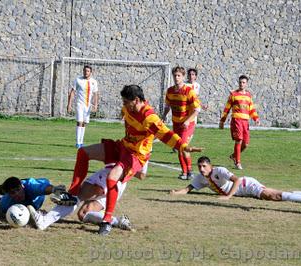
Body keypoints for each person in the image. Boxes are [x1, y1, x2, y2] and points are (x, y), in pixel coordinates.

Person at [56, 84, 202, 236]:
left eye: (126, 102)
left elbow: (166, 134)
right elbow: (125, 114)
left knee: (113, 177)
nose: (123, 105)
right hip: (123, 147)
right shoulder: (128, 108)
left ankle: (106, 221)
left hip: (136, 155)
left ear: (136, 100)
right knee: (83, 152)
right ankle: (72, 194)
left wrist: (183, 146)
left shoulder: (149, 117)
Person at [27, 163, 148, 231]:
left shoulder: (143, 142)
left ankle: (44, 220)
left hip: (111, 176)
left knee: (77, 196)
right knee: (83, 214)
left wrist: (122, 166)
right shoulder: (136, 134)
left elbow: (141, 174)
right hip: (117, 184)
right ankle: (118, 221)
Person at [170, 156, 301, 206]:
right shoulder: (200, 177)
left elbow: (236, 180)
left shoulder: (219, 170)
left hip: (245, 185)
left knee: (272, 196)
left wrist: (228, 197)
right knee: (276, 192)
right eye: (199, 166)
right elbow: (188, 189)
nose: (201, 169)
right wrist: (176, 193)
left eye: (204, 166)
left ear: (210, 165)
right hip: (244, 190)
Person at [162, 66, 201, 180]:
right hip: (176, 123)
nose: (176, 77)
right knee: (179, 147)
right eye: (175, 75)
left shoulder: (189, 91)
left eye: (179, 75)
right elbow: (167, 106)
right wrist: (164, 116)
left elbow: (197, 109)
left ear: (183, 77)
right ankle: (185, 172)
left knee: (183, 146)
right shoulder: (170, 91)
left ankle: (189, 170)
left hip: (187, 124)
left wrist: (188, 120)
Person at [219, 75, 260, 170]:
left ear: (247, 84)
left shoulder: (248, 95)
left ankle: (234, 156)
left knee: (245, 144)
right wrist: (222, 121)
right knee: (239, 140)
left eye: (244, 82)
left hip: (245, 122)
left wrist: (256, 118)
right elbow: (227, 109)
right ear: (238, 83)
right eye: (240, 82)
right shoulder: (233, 95)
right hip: (236, 120)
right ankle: (238, 162)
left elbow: (251, 109)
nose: (242, 84)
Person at [0, 177, 66, 213]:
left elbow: (45, 189)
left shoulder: (31, 187)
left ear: (22, 186)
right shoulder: (6, 203)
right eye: (13, 193)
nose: (17, 194)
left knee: (12, 184)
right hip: (6, 197)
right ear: (9, 194)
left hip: (35, 182)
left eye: (18, 190)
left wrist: (55, 189)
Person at [67, 65, 99, 149]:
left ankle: (81, 142)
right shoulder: (78, 80)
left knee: (84, 123)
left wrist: (95, 105)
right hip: (79, 104)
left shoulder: (94, 82)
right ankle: (78, 142)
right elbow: (72, 92)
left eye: (88, 71)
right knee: (79, 122)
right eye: (85, 71)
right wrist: (69, 104)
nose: (86, 72)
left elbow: (95, 94)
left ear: (90, 72)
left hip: (88, 106)